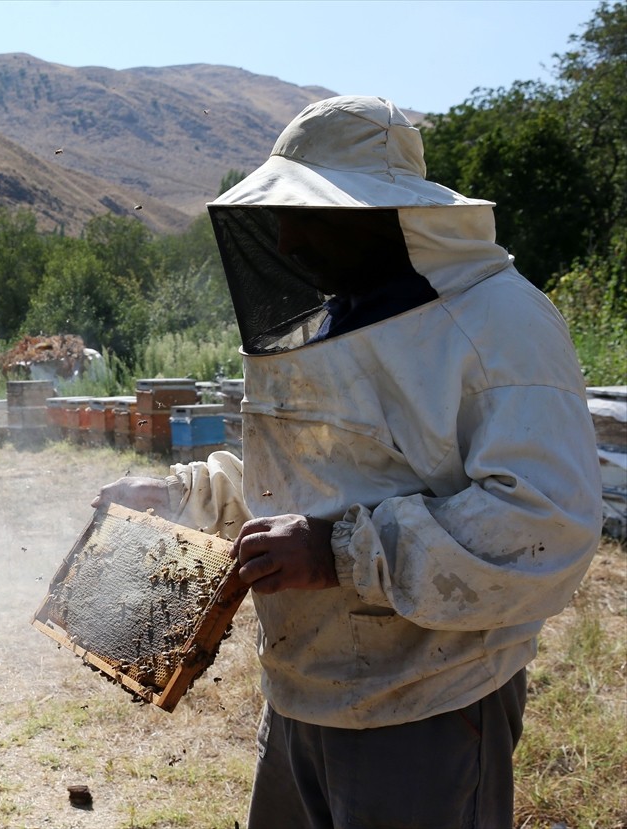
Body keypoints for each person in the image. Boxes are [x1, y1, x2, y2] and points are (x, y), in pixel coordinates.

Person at [94, 96, 603, 829]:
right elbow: (307, 472)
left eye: (310, 215)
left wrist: (339, 552)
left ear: (385, 215)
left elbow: (544, 522)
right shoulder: (335, 317)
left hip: (429, 698)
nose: (288, 241)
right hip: (301, 690)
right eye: (284, 215)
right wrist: (186, 497)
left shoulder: (500, 322)